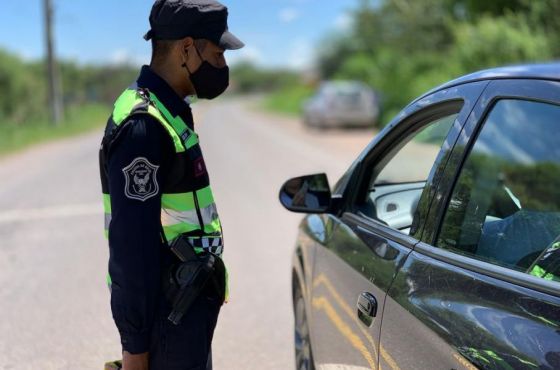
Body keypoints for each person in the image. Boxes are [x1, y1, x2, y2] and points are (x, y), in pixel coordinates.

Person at [98, 1, 244, 369]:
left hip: (185, 304)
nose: (222, 66)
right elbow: (133, 247)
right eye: (217, 53)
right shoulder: (143, 126)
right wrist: (134, 349)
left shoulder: (169, 111)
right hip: (168, 316)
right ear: (185, 48)